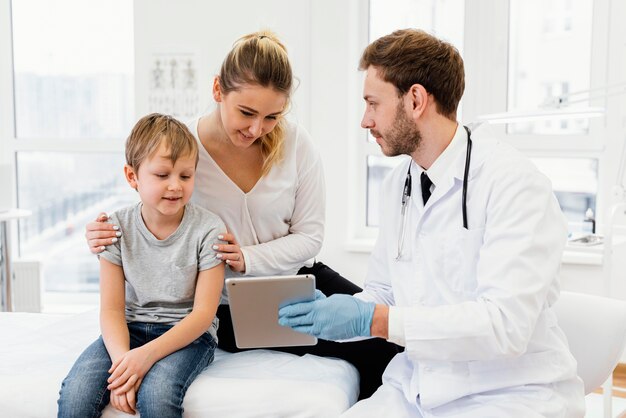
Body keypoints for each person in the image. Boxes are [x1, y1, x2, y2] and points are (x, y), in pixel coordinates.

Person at [279, 29, 586, 417]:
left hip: (508, 393)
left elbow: (504, 326)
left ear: (416, 100)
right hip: (417, 387)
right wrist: (338, 315)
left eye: (373, 103)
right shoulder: (400, 184)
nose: (365, 120)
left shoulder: (513, 183)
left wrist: (373, 318)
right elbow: (384, 293)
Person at [84, 30, 399, 400]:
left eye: (271, 117)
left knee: (387, 339)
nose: (256, 129)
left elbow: (310, 237)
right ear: (218, 90)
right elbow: (147, 206)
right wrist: (102, 233)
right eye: (246, 113)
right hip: (222, 303)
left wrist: (248, 257)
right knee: (362, 347)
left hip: (294, 282)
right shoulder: (183, 150)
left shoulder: (297, 143)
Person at [59, 114, 225, 417]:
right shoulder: (115, 228)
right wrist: (124, 363)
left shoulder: (209, 229)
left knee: (158, 396)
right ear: (132, 176)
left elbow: (203, 314)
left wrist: (144, 358)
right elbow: (110, 310)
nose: (175, 186)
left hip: (187, 335)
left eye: (185, 176)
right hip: (130, 328)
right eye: (162, 175)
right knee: (76, 394)